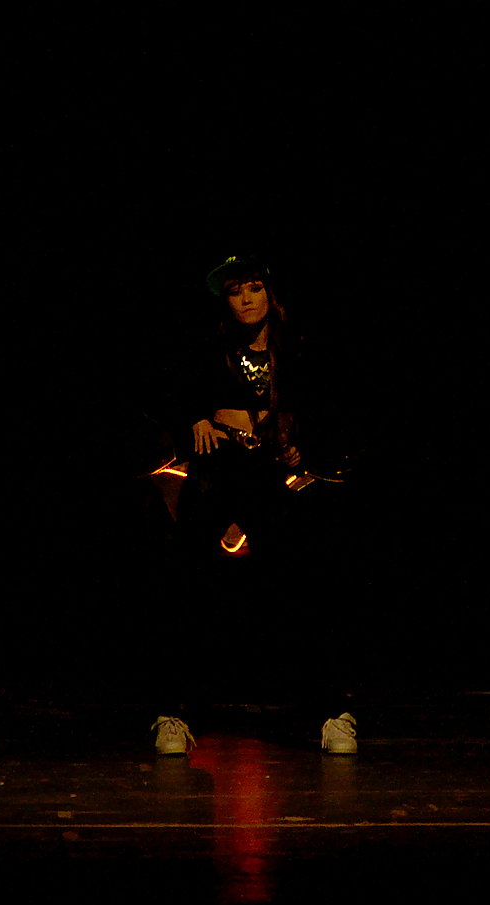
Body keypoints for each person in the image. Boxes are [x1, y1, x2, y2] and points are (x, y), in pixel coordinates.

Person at [150, 255, 357, 757]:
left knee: (300, 584)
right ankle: (175, 713)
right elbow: (172, 394)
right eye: (235, 291)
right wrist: (195, 419)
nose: (245, 299)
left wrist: (300, 446)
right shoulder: (208, 346)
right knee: (190, 584)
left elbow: (320, 408)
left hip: (269, 473)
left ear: (270, 292)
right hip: (217, 468)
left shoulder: (295, 348)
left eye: (254, 288)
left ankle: (331, 713)